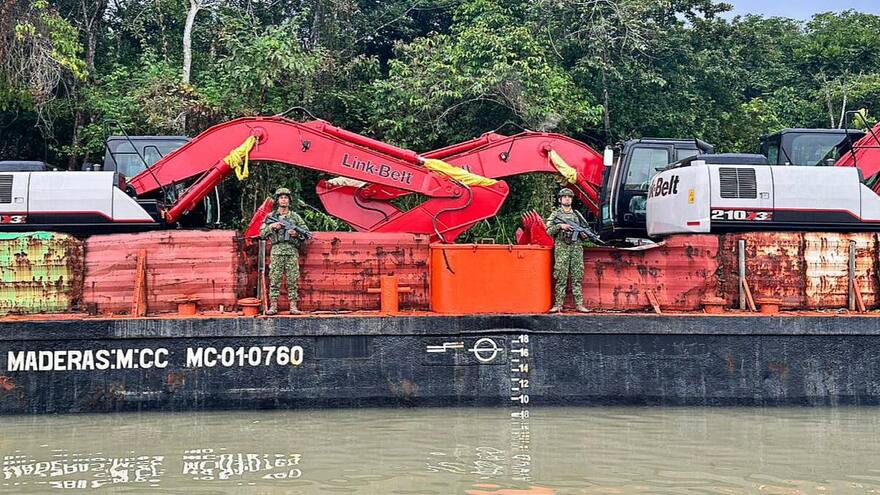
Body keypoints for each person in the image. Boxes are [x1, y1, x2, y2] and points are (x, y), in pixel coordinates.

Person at [260, 187, 309, 315]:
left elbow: (305, 233)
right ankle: (273, 307)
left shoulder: (295, 217)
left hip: (292, 251)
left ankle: (293, 306)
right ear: (277, 200)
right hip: (276, 251)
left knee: (293, 279)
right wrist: (271, 226)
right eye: (281, 197)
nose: (283, 200)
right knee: (274, 279)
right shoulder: (271, 217)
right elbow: (262, 233)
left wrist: (296, 234)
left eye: (286, 197)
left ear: (289, 200)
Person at [545, 188, 590, 313]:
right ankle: (558, 305)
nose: (567, 199)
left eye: (569, 197)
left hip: (576, 248)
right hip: (562, 247)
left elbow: (585, 230)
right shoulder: (555, 214)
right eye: (564, 197)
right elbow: (548, 231)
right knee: (560, 275)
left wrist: (584, 234)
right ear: (560, 199)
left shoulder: (577, 215)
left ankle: (579, 304)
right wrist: (560, 226)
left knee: (577, 276)